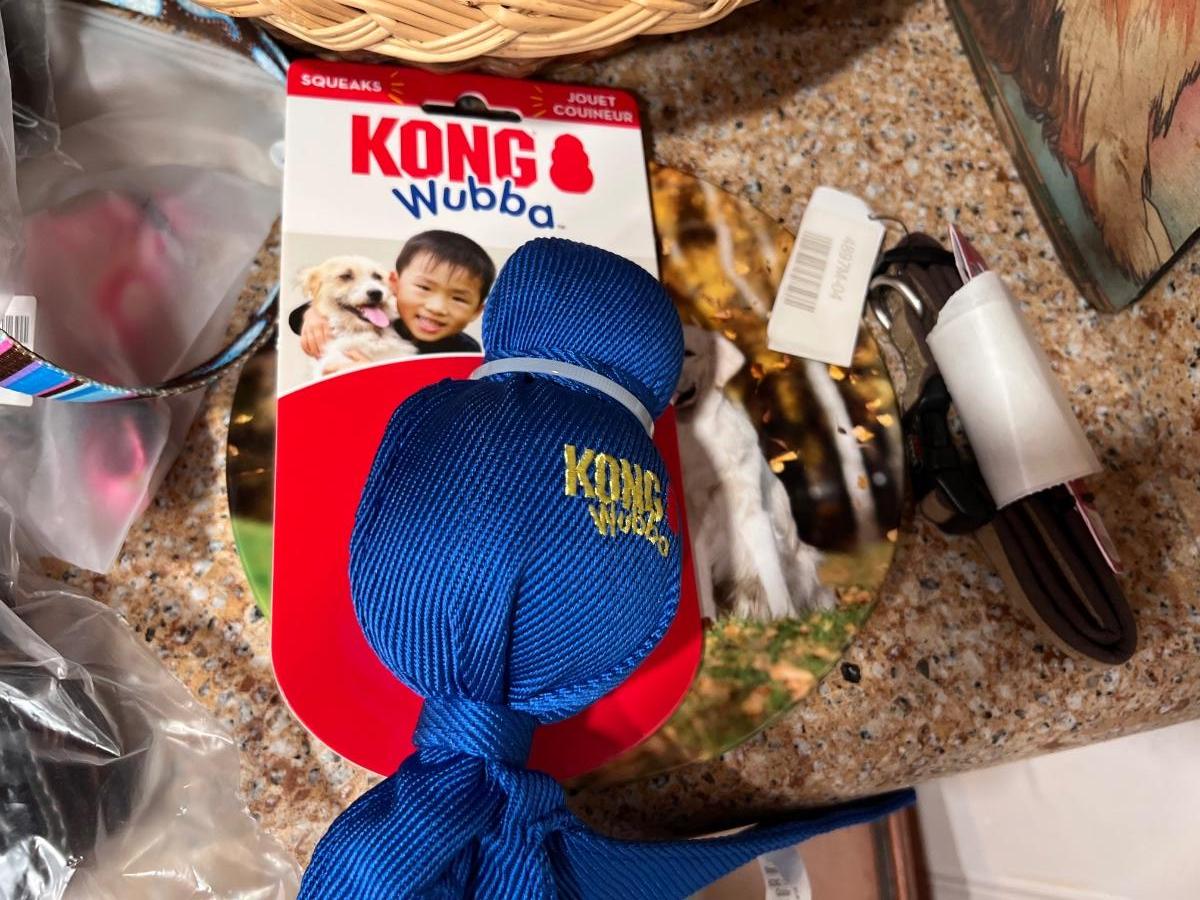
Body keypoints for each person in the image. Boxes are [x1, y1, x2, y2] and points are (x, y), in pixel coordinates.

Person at [292, 230, 495, 359]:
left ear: (477, 311)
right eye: (424, 288)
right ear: (394, 284)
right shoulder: (387, 318)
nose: (436, 308)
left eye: (458, 298)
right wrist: (312, 313)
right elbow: (300, 318)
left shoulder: (464, 352)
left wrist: (373, 378)